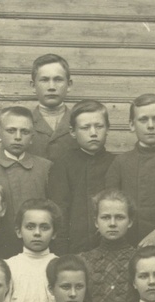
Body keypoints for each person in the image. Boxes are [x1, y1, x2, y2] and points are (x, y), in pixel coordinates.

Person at [104, 94, 155, 244]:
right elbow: (111, 206)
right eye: (143, 120)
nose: (150, 125)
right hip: (127, 241)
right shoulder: (120, 163)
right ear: (131, 125)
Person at [47, 100, 116, 253]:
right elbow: (59, 212)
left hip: (110, 247)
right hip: (74, 248)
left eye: (99, 126)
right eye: (85, 128)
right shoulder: (63, 165)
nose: (93, 133)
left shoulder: (116, 163)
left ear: (107, 129)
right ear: (72, 132)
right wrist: (62, 253)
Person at [0, 107, 51, 230]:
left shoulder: (45, 168)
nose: (18, 137)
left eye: (25, 132)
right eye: (11, 131)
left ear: (32, 138)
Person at [77, 189, 139, 302]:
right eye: (105, 217)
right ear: (96, 222)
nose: (112, 224)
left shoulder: (140, 259)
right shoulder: (83, 260)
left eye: (119, 217)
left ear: (130, 222)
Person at [5, 199, 61, 302]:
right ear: (19, 231)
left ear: (54, 233)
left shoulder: (60, 266)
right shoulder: (8, 266)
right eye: (30, 227)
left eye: (44, 227)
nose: (37, 233)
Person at [28, 54, 77, 163]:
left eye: (58, 80)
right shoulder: (24, 123)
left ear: (69, 85)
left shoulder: (79, 123)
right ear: (33, 86)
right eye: (44, 80)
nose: (51, 87)